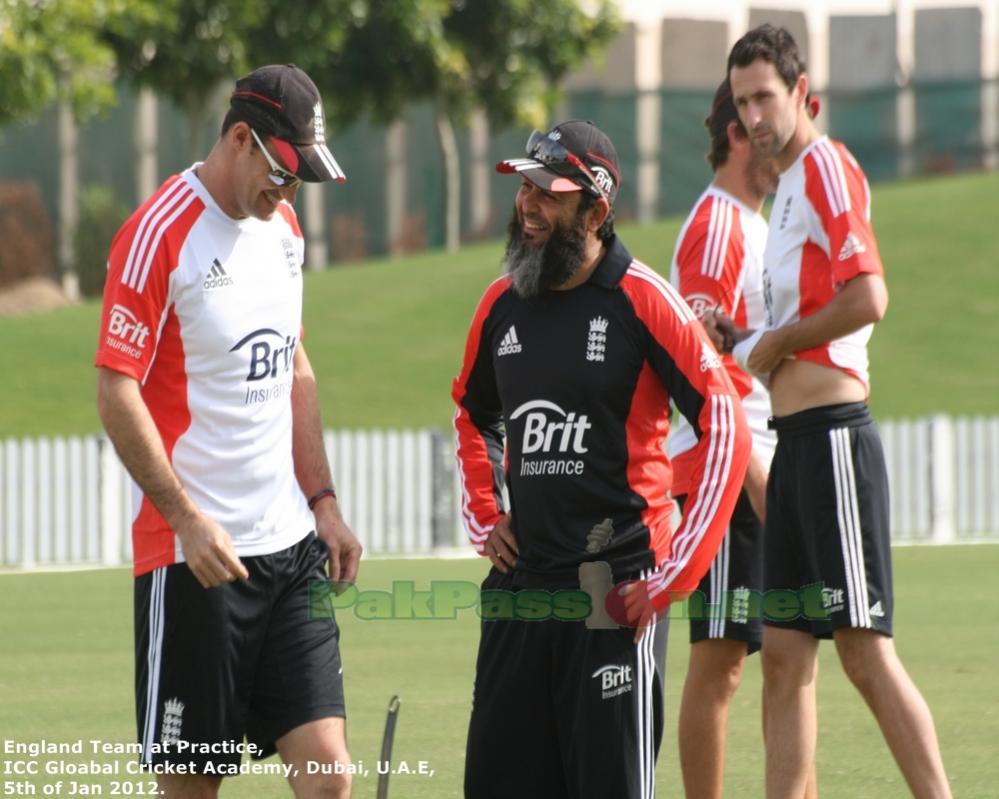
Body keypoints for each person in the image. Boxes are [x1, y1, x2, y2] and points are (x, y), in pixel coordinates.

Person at [452, 119, 751, 798]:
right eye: (524, 186)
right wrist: (485, 512)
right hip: (521, 594)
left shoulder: (642, 298)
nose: (527, 204)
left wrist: (672, 574)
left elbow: (724, 425)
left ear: (596, 208)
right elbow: (473, 412)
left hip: (614, 597)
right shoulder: (499, 304)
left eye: (548, 193)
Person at [95, 64, 361, 799]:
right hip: (194, 561)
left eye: (301, 176)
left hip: (289, 549)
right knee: (192, 788)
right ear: (240, 139)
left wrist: (324, 501)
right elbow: (115, 387)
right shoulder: (156, 234)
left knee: (330, 776)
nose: (288, 191)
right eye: (281, 171)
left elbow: (294, 363)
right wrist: (185, 519)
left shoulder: (285, 229)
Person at [711, 25, 952, 798]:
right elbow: (796, 328)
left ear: (799, 89)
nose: (753, 115)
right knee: (782, 654)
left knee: (863, 652)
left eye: (764, 96)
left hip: (835, 447)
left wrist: (778, 338)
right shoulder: (783, 194)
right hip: (792, 449)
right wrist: (742, 337)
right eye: (742, 100)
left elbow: (868, 295)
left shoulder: (825, 168)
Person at [668, 77, 786, 799]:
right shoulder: (717, 227)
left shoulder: (752, 222)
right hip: (727, 475)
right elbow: (704, 369)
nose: (779, 138)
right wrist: (751, 474)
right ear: (737, 132)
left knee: (780, 656)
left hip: (756, 464)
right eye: (763, 121)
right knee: (720, 662)